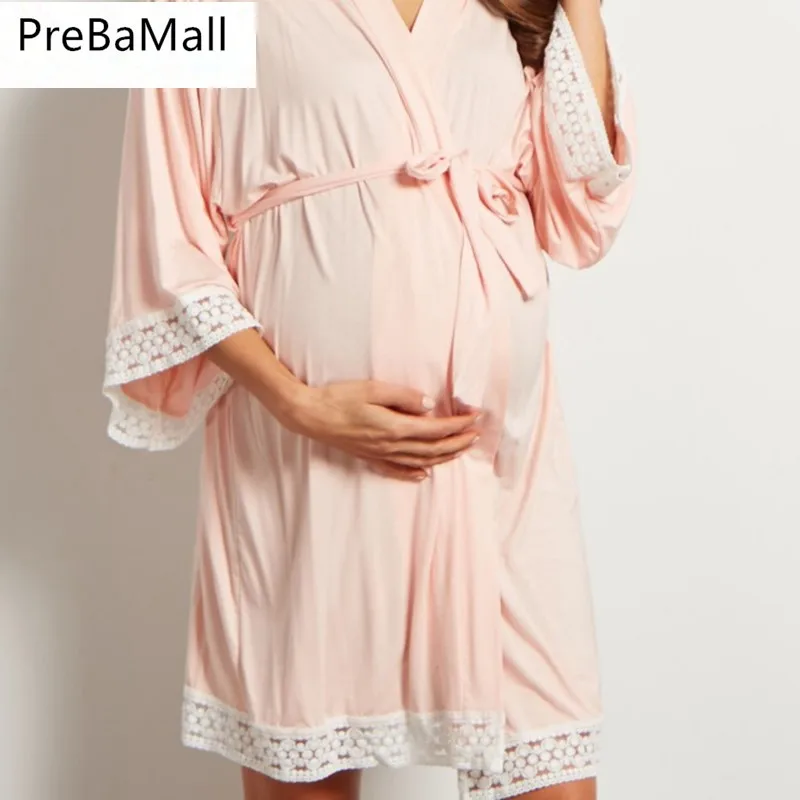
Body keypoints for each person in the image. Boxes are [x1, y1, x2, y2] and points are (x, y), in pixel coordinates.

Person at [103, 0, 635, 798]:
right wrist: (298, 405)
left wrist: (580, 6)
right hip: (309, 456)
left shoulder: (503, 8)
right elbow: (170, 236)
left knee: (554, 762)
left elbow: (580, 209)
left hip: (502, 467)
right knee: (306, 759)